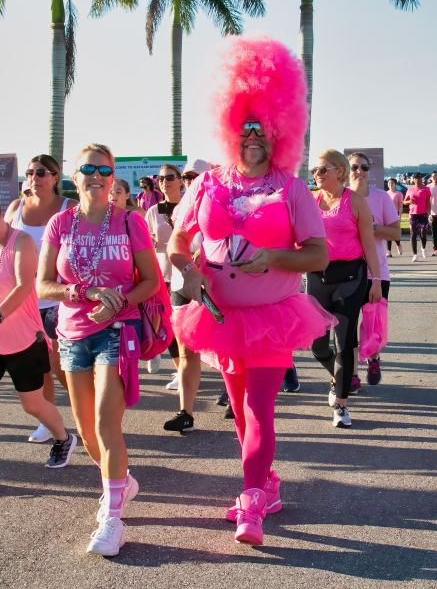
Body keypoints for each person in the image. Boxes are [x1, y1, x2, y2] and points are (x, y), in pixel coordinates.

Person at [168, 37, 333, 546]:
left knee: (260, 409)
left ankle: (251, 503)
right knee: (240, 413)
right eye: (245, 128)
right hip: (219, 316)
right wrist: (187, 271)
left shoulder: (291, 189)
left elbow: (318, 255)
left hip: (273, 316)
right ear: (229, 129)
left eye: (262, 128)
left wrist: (274, 257)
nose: (253, 137)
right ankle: (268, 482)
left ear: (279, 130)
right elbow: (178, 236)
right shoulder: (209, 184)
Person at [38, 143, 160, 557]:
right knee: (88, 434)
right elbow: (42, 285)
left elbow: (151, 282)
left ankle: (112, 519)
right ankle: (122, 483)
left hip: (118, 330)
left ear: (112, 178)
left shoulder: (130, 222)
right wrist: (81, 290)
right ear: (75, 177)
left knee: (108, 425)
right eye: (87, 169)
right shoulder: (61, 223)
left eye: (104, 170)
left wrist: (120, 302)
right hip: (72, 334)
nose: (96, 176)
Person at [0, 190, 78, 492]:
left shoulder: (21, 242)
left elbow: (23, 286)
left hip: (22, 339)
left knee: (32, 403)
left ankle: (63, 438)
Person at [306, 149, 382, 428]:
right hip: (317, 276)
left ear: (339, 171)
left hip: (351, 276)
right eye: (314, 170)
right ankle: (341, 378)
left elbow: (368, 244)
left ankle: (341, 404)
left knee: (344, 341)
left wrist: (375, 280)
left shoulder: (356, 202)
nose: (317, 175)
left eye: (323, 169)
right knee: (317, 346)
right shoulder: (310, 202)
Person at [5, 154, 74, 444]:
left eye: (42, 172)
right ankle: (49, 422)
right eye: (31, 172)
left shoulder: (69, 208)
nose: (35, 177)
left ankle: (93, 411)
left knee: (62, 366)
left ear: (55, 177)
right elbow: (2, 248)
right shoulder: (16, 207)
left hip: (60, 299)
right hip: (25, 301)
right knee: (39, 366)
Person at [147, 163, 204, 433]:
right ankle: (185, 412)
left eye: (194, 177)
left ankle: (233, 397)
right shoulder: (177, 210)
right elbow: (170, 243)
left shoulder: (217, 205)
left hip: (215, 286)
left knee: (225, 349)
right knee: (185, 350)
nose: (188, 181)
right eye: (186, 177)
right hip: (180, 282)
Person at [349, 151, 399, 386]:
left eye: (364, 168)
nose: (359, 171)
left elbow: (396, 232)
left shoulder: (381, 198)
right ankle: (352, 374)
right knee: (347, 327)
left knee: (372, 324)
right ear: (344, 171)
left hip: (376, 271)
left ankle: (374, 358)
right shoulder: (341, 198)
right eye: (354, 167)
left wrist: (371, 227)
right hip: (347, 271)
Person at [403, 173, 431, 261]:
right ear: (413, 180)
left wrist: (429, 213)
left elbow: (428, 202)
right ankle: (415, 255)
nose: (417, 180)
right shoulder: (410, 190)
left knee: (423, 233)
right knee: (413, 234)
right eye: (416, 179)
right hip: (413, 215)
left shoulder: (426, 189)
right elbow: (404, 202)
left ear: (421, 179)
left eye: (419, 179)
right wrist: (409, 202)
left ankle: (423, 248)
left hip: (423, 214)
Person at [385, 179, 404, 257]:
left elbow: (400, 206)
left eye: (392, 183)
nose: (390, 184)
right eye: (389, 183)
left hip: (395, 214)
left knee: (394, 233)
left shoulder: (398, 194)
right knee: (387, 233)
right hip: (386, 215)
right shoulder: (385, 194)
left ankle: (398, 245)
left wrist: (399, 215)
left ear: (395, 184)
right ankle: (389, 251)